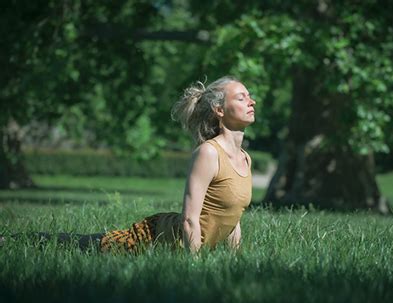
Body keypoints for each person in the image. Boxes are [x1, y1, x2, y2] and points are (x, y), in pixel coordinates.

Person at [1, 76, 256, 254]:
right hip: (153, 240)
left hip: (180, 245)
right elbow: (190, 219)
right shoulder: (208, 154)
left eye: (249, 97)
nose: (251, 102)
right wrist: (195, 268)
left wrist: (234, 261)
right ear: (219, 110)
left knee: (84, 242)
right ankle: (16, 239)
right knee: (85, 245)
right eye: (242, 97)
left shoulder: (245, 158)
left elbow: (233, 219)